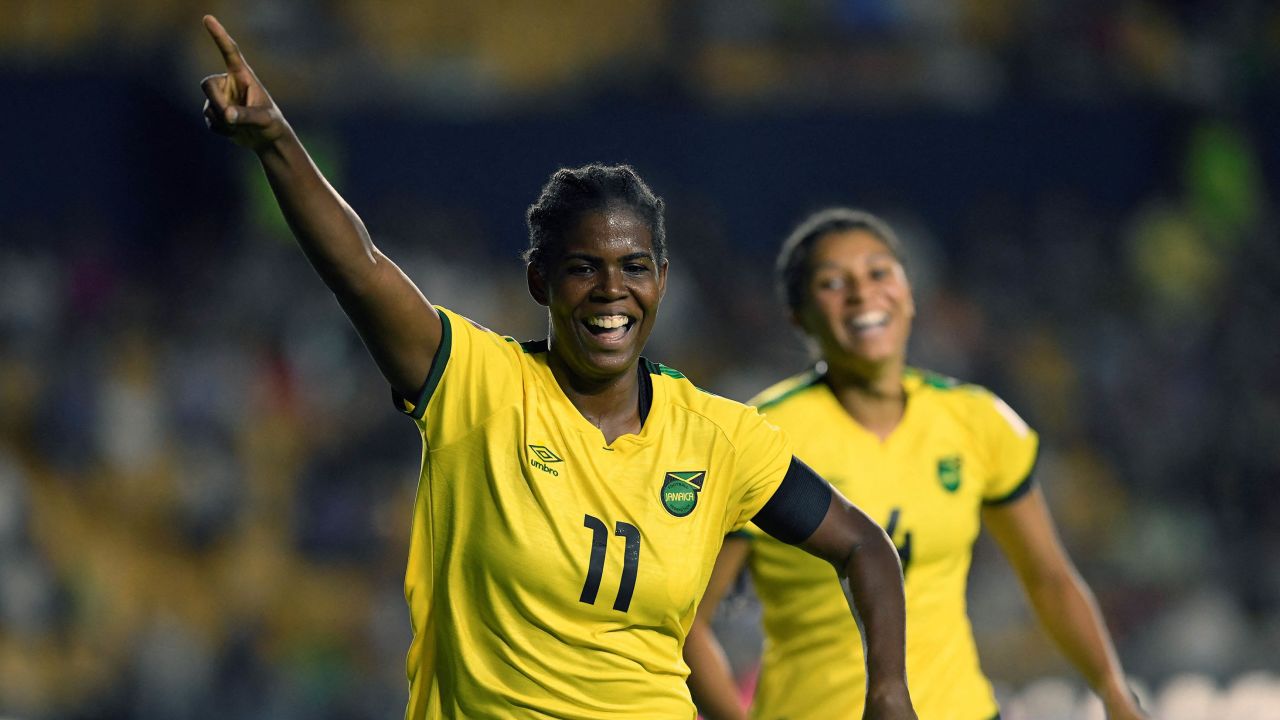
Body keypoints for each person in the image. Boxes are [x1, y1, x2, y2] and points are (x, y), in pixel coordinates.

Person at [198, 16, 917, 720]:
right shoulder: (477, 386)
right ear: (541, 281)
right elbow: (360, 271)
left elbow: (864, 547)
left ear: (661, 282)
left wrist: (887, 694)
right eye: (584, 268)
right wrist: (275, 141)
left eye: (635, 268)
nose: (612, 290)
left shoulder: (720, 438)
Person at [684, 209, 1147, 720]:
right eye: (834, 282)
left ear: (909, 292)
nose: (862, 293)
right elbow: (688, 622)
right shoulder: (759, 437)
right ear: (798, 314)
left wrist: (1113, 690)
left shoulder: (977, 420)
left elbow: (1050, 579)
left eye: (879, 272)